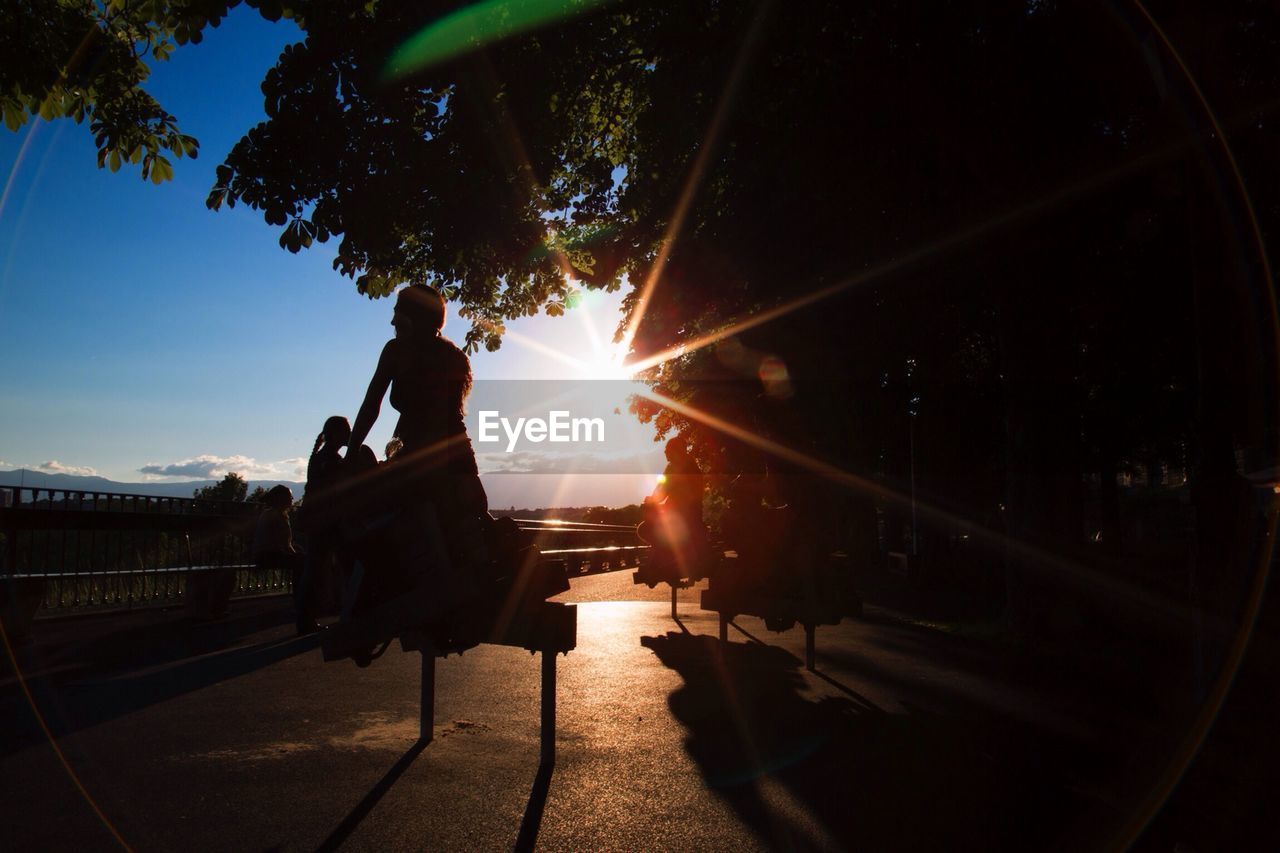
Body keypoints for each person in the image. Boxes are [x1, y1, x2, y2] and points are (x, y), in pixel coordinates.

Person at [325, 284, 487, 662]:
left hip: (426, 461)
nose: (392, 319)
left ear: (414, 316)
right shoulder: (447, 356)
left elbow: (374, 404)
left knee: (369, 519)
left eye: (398, 311)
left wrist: (354, 456)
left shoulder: (403, 352)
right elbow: (438, 419)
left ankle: (370, 611)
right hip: (450, 459)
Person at [295, 416, 350, 635]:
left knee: (316, 569)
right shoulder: (329, 460)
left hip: (319, 519)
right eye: (346, 431)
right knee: (321, 569)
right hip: (325, 520)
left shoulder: (321, 458)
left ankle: (306, 618)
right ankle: (309, 618)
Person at [639, 435, 710, 578]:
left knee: (645, 529)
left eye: (667, 450)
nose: (665, 453)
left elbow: (662, 490)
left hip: (679, 520)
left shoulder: (675, 468)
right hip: (692, 519)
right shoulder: (692, 465)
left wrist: (650, 500)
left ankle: (669, 556)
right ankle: (672, 555)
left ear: (675, 451)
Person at [253, 485, 304, 619]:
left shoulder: (269, 513)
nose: (292, 498)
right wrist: (296, 553)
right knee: (303, 565)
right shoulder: (278, 516)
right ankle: (301, 602)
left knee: (301, 561)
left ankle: (300, 602)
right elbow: (284, 544)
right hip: (268, 555)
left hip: (262, 554)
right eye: (289, 496)